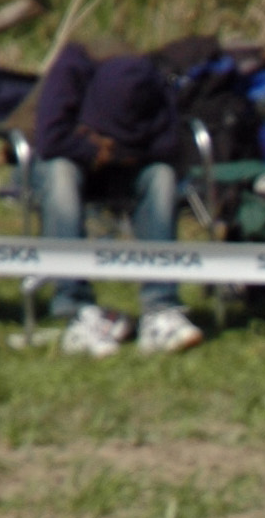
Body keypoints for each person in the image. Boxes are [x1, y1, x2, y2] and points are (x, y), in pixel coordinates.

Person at [31, 42, 203, 357]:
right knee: (60, 175)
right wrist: (94, 150)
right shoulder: (70, 72)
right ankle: (75, 307)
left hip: (126, 166)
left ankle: (160, 307)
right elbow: (49, 140)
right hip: (68, 162)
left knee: (161, 175)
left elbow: (170, 145)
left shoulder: (154, 83)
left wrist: (122, 152)